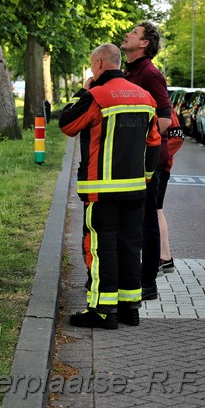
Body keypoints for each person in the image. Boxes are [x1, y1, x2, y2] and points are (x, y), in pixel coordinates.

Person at [59, 43, 161, 329]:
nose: (92, 70)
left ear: (101, 64)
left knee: (102, 249)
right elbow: (154, 144)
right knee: (130, 247)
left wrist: (83, 90)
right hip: (134, 190)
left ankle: (103, 312)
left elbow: (67, 124)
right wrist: (146, 178)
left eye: (93, 65)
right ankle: (130, 308)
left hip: (102, 191)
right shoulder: (145, 98)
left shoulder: (97, 96)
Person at [120, 21, 172, 300]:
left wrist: (137, 139)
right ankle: (132, 277)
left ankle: (147, 282)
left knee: (147, 219)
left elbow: (164, 119)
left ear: (144, 44)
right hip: (132, 158)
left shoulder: (150, 74)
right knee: (134, 218)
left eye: (135, 32)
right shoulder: (129, 73)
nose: (128, 34)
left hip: (149, 159)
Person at [158, 106, 185, 273]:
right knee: (155, 211)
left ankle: (163, 257)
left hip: (159, 168)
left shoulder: (163, 105)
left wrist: (158, 157)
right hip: (157, 166)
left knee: (154, 211)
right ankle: (165, 258)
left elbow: (178, 136)